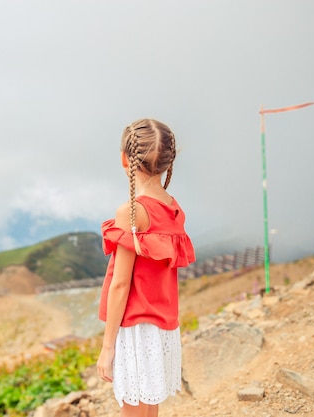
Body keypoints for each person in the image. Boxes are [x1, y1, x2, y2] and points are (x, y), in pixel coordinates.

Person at [97, 118, 196, 417]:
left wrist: (107, 347)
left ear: (125, 159)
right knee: (149, 410)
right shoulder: (173, 208)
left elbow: (120, 284)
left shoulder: (131, 211)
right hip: (162, 326)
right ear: (168, 162)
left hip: (136, 327)